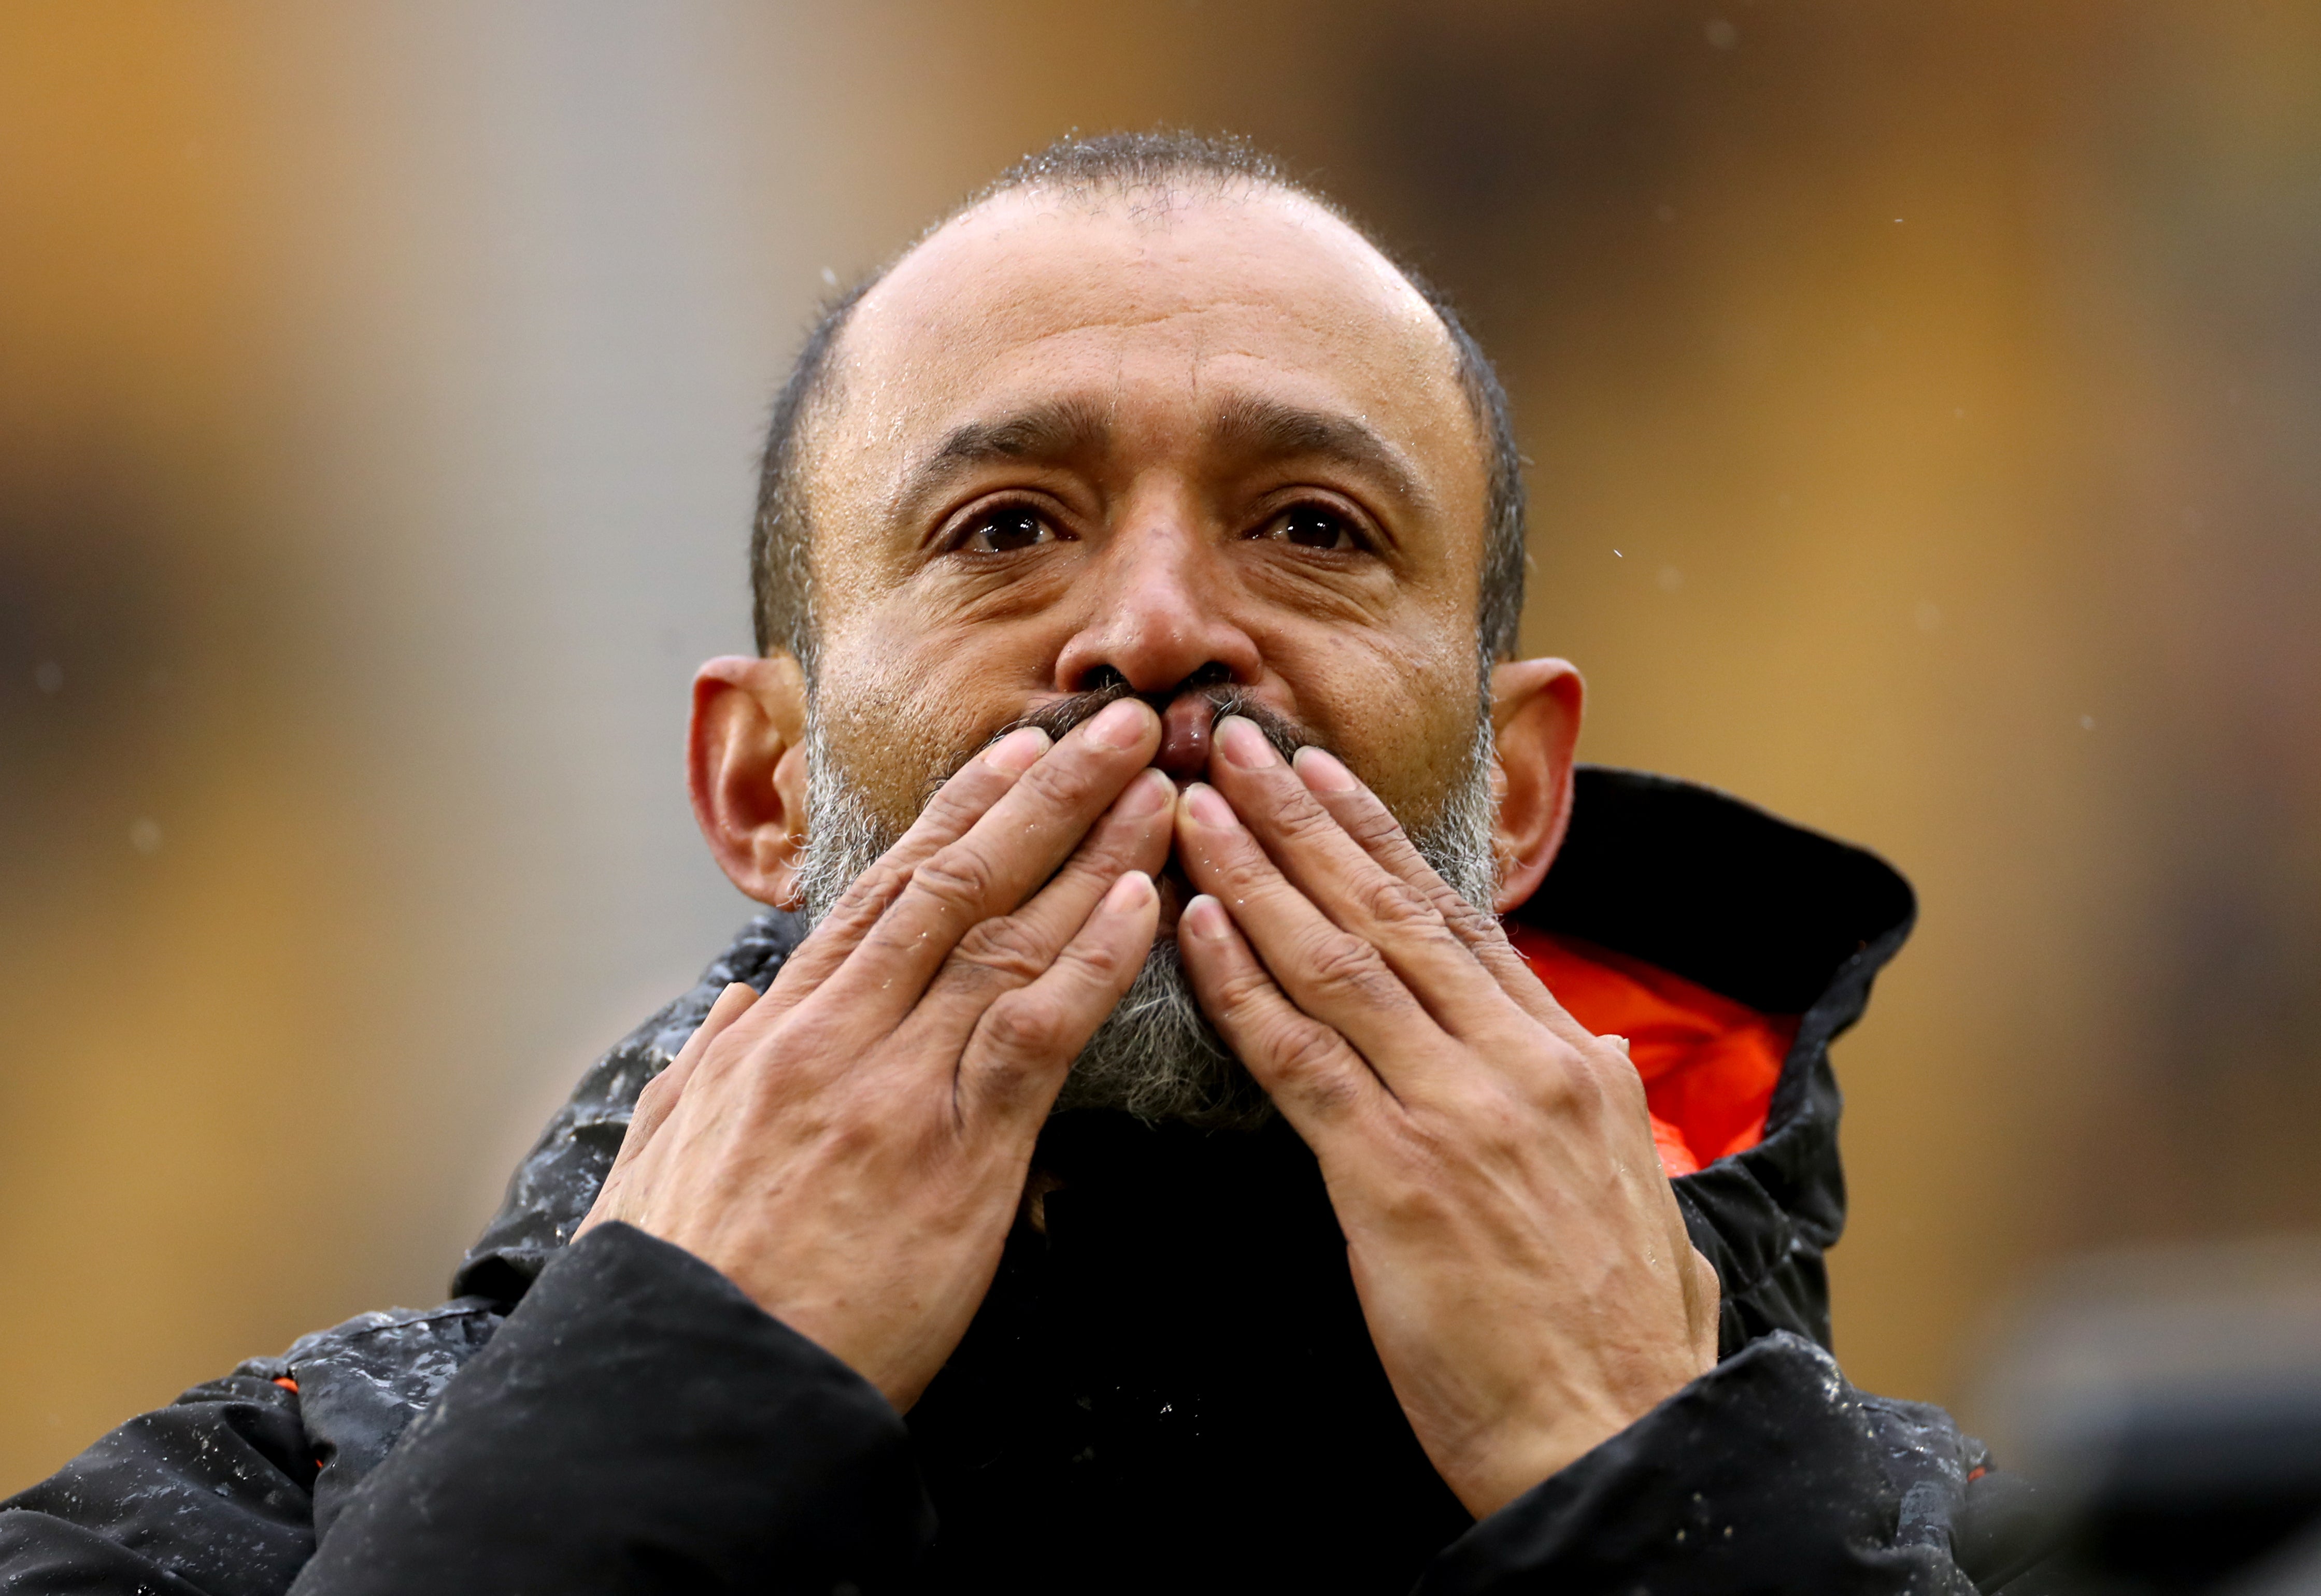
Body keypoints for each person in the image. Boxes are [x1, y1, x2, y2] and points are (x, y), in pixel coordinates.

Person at [0, 132, 2056, 1594]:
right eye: (1005, 527)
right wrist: (652, 1416)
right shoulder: (259, 1509)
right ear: (759, 784)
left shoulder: (1935, 1534)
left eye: (1312, 527)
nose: (1158, 625)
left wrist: (1657, 1483)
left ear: (1518, 796)